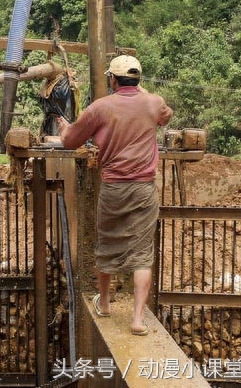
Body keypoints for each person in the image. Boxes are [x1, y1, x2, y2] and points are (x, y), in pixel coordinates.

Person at [56, 54, 173, 337]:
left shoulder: (101, 107)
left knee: (106, 244)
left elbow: (71, 140)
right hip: (144, 188)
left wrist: (63, 130)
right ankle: (137, 320)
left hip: (114, 187)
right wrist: (143, 91)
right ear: (138, 80)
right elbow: (165, 116)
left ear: (112, 79)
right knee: (143, 253)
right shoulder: (154, 102)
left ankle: (105, 303)